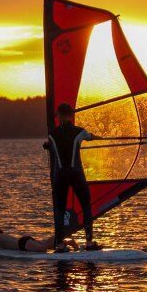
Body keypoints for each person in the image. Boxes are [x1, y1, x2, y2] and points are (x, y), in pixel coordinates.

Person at [45, 103, 102, 252]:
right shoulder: (80, 132)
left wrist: (47, 145)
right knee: (86, 205)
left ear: (58, 116)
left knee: (60, 210)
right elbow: (89, 137)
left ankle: (60, 245)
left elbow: (50, 144)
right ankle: (89, 243)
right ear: (71, 115)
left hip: (60, 176)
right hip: (75, 174)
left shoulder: (51, 134)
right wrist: (96, 137)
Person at [0, 221, 79, 253]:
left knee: (43, 248)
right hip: (24, 241)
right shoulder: (0, 237)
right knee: (47, 245)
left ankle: (66, 238)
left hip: (22, 243)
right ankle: (67, 240)